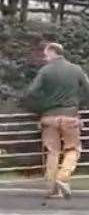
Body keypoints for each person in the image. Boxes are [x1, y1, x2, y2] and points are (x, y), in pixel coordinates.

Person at [24, 42, 89, 199]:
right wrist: (79, 103)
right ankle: (63, 177)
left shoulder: (45, 71)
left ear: (53, 52)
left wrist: (42, 105)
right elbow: (88, 89)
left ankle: (52, 187)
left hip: (49, 117)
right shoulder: (76, 69)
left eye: (46, 54)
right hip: (70, 116)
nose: (45, 58)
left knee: (53, 151)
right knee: (72, 149)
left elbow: (31, 91)